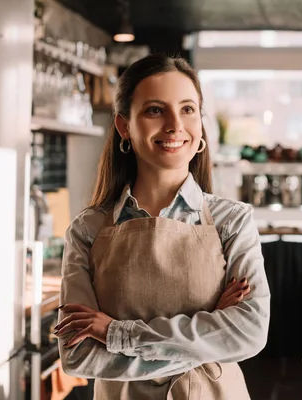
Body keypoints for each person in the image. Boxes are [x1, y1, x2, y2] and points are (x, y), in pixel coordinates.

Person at [54, 54, 270, 400]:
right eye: (155, 110)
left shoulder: (232, 221)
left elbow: (249, 333)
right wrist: (209, 328)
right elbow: (79, 356)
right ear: (125, 127)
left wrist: (117, 334)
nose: (174, 125)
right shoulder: (87, 230)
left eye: (187, 109)